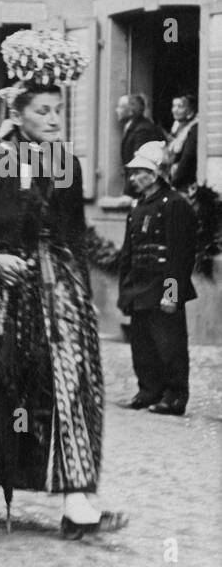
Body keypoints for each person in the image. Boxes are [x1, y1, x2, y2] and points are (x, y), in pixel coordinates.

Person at [0, 29, 126, 540]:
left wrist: (81, 291)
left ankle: (78, 500)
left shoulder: (68, 165)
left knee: (72, 385)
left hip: (56, 293)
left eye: (59, 111)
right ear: (19, 112)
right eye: (44, 111)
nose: (54, 120)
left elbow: (72, 232)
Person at [118, 141, 196, 416]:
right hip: (140, 285)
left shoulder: (174, 204)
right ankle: (148, 391)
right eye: (134, 172)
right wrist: (124, 292)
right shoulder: (139, 206)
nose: (134, 177)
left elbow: (180, 255)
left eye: (140, 172)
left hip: (162, 285)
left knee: (169, 345)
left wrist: (171, 294)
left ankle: (174, 396)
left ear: (155, 174)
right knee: (142, 345)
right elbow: (128, 252)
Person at [117, 92, 166, 168]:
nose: (117, 110)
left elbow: (140, 162)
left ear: (131, 111)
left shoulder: (143, 130)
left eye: (121, 107)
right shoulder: (135, 127)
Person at [164, 93, 198, 190]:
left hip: (184, 182)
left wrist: (174, 182)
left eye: (180, 106)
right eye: (174, 106)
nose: (175, 110)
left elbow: (187, 158)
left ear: (190, 109)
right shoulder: (177, 127)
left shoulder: (194, 128)